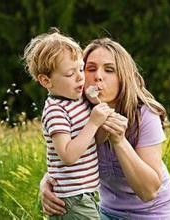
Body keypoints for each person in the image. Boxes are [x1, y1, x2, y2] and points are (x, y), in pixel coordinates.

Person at [40, 38, 170, 219]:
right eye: (90, 68)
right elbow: (68, 155)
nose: (98, 76)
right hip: (107, 213)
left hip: (154, 214)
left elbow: (149, 192)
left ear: (123, 76)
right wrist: (47, 183)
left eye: (109, 70)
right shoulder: (77, 113)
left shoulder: (144, 115)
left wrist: (119, 140)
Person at [23, 30, 114, 219]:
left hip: (86, 194)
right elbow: (68, 155)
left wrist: (99, 111)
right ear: (46, 81)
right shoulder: (55, 111)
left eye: (80, 69)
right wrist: (93, 122)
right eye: (70, 73)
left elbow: (95, 139)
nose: (80, 77)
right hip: (72, 199)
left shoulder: (77, 99)